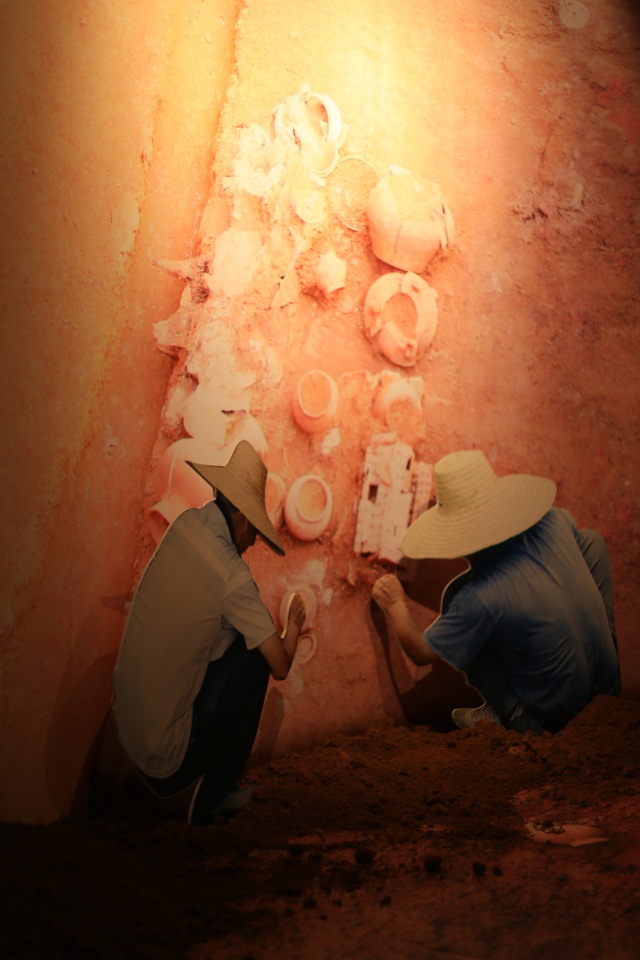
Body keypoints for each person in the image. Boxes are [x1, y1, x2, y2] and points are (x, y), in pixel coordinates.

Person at [112, 440, 306, 826]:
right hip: (163, 761)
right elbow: (281, 665)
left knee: (224, 638)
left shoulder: (184, 524)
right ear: (244, 518)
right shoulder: (233, 576)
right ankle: (214, 794)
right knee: (254, 661)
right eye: (255, 531)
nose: (253, 542)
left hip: (123, 728)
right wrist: (294, 625)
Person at [372, 449, 621, 735]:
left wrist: (395, 604)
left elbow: (419, 651)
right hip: (607, 690)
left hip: (551, 724)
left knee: (458, 598)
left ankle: (510, 711)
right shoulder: (556, 520)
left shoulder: (478, 597)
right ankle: (602, 661)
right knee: (590, 543)